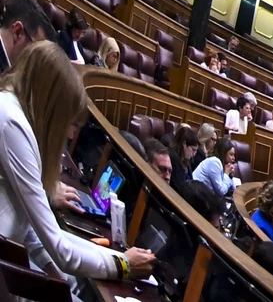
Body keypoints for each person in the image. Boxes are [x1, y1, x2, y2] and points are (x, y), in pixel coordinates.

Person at [0, 42, 156, 283]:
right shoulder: (12, 123)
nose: (71, 134)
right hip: (7, 267)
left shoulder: (12, 111)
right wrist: (123, 264)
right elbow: (61, 250)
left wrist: (118, 257)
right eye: (70, 121)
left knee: (73, 282)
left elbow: (30, 226)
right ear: (51, 105)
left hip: (12, 256)